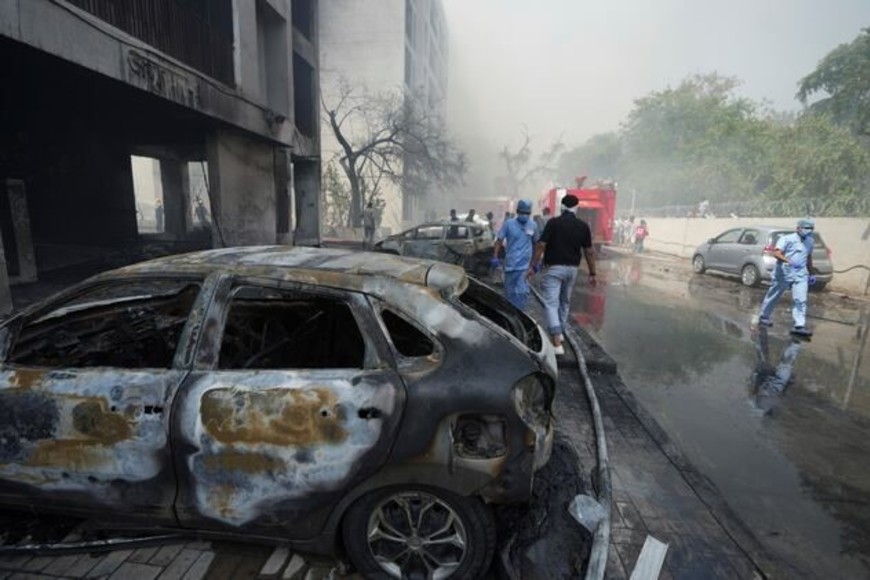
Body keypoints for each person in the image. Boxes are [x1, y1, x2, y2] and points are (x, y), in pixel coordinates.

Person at [528, 194, 597, 355]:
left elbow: (540, 245)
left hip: (554, 269)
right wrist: (593, 273)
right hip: (572, 270)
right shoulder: (583, 226)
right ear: (576, 208)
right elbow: (589, 252)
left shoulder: (553, 223)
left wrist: (533, 266)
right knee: (564, 302)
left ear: (562, 207)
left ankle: (557, 342)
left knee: (551, 304)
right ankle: (561, 332)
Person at [757, 218, 818, 337]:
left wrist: (811, 272)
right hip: (784, 272)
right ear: (798, 228)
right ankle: (764, 317)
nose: (808, 230)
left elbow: (808, 257)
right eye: (806, 228)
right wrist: (788, 261)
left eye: (811, 229)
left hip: (801, 274)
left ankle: (799, 326)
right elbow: (776, 253)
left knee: (800, 299)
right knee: (774, 295)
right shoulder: (786, 239)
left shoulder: (810, 241)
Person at [491, 199, 538, 310]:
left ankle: (520, 315)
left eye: (527, 213)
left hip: (524, 266)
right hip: (510, 265)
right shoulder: (509, 224)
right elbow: (499, 240)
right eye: (523, 212)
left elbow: (537, 244)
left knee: (522, 293)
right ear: (517, 211)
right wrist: (495, 256)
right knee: (509, 293)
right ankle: (510, 315)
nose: (525, 215)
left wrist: (535, 262)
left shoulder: (533, 225)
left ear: (530, 213)